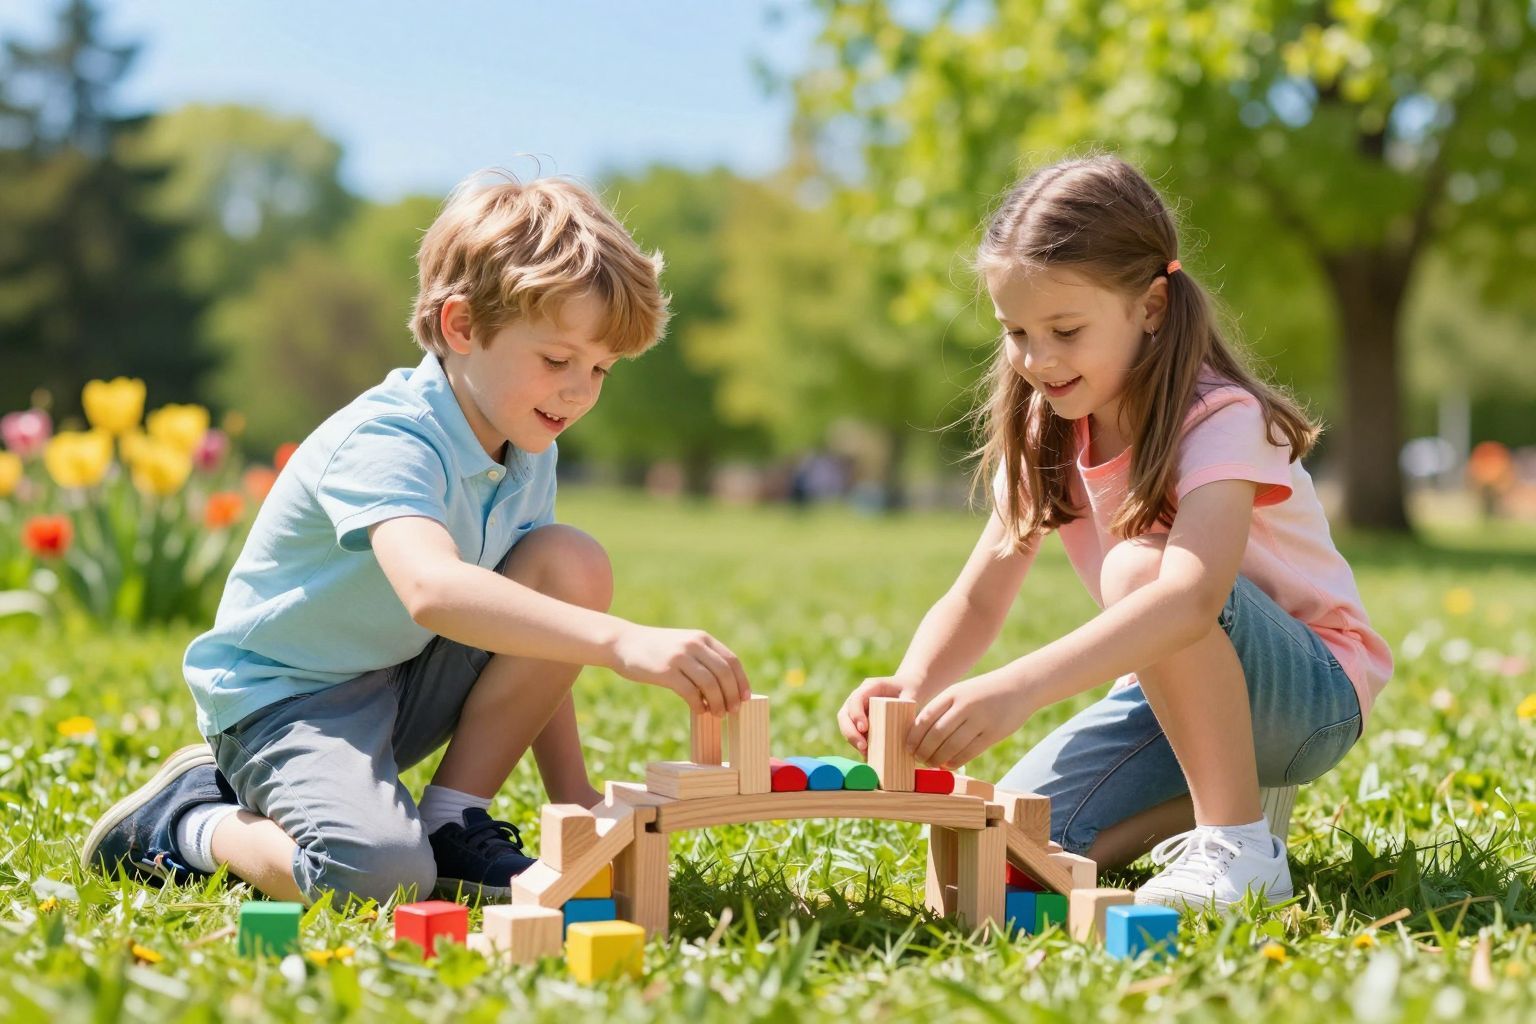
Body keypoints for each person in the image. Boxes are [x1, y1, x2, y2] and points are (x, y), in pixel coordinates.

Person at [83, 173, 749, 905]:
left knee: (569, 563)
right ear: (462, 327)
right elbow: (433, 591)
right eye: (558, 360)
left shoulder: (527, 444)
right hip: (288, 702)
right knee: (378, 877)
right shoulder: (390, 438)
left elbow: (533, 634)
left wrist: (575, 798)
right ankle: (185, 819)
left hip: (403, 682)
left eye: (601, 369)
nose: (579, 392)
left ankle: (453, 817)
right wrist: (622, 642)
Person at [838, 154, 1391, 908]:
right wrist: (910, 684)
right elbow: (979, 598)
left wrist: (1017, 689)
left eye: (1065, 329)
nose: (1037, 360)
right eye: (1017, 332)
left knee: (1140, 571)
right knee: (1007, 844)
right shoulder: (1050, 426)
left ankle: (1237, 842)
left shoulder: (1220, 417)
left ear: (1152, 308)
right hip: (1176, 695)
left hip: (1308, 697)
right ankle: (1231, 808)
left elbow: (1191, 602)